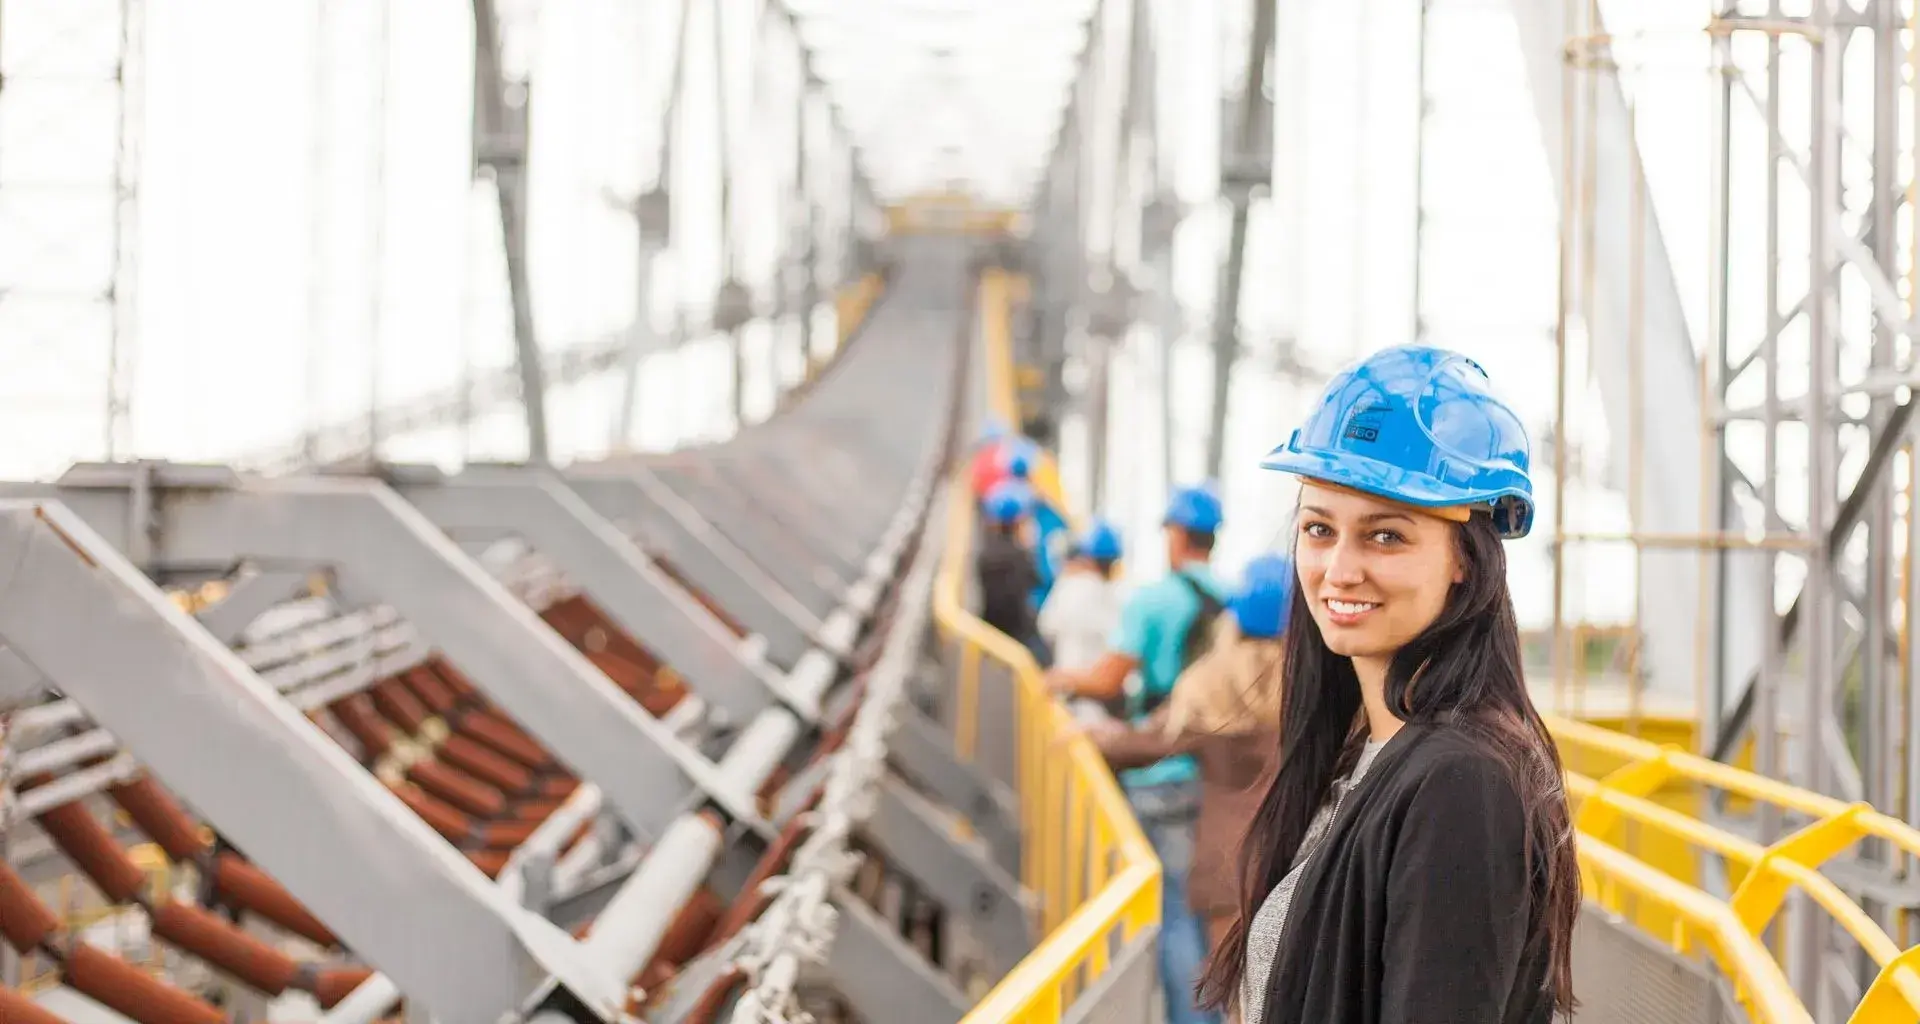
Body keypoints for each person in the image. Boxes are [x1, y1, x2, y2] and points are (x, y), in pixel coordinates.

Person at [1196, 345, 1579, 1024]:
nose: (1338, 569)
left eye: (1386, 537)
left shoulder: (1462, 783)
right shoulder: (1364, 754)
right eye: (1319, 529)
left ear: (1467, 559)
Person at [1047, 483, 1228, 1024]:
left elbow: (1110, 680)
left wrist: (1061, 680)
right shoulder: (1232, 599)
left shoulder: (1154, 599)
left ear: (1175, 534)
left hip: (1158, 771)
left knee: (1173, 915)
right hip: (1215, 775)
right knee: (1207, 915)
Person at [1088, 552, 1292, 952]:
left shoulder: (1211, 682)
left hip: (1228, 866)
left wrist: (1094, 736)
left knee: (1232, 998)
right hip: (1297, 858)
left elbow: (1148, 744)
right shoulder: (1318, 686)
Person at [1037, 518, 1125, 723]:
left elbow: (1046, 627)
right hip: (1103, 701)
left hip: (1067, 692)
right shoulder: (1120, 595)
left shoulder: (1069, 587)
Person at [975, 479, 1047, 663]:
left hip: (990, 631)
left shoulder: (986, 552)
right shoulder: (1020, 555)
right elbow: (1038, 580)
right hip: (1018, 635)